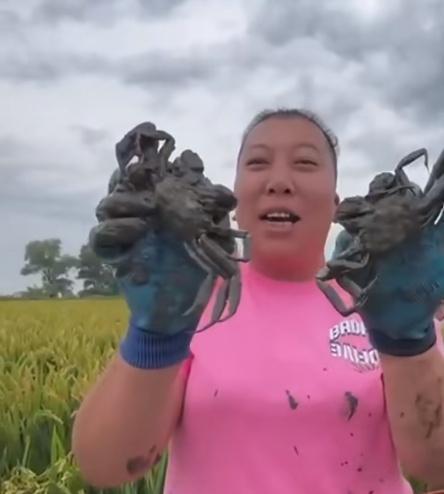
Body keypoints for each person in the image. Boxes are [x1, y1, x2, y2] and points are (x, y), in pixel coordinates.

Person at [71, 108, 444, 493]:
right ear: (231, 200)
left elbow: (436, 465)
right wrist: (155, 336)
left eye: (305, 163)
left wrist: (407, 342)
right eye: (258, 162)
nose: (279, 182)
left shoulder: (390, 300)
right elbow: (107, 464)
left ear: (338, 205)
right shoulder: (191, 301)